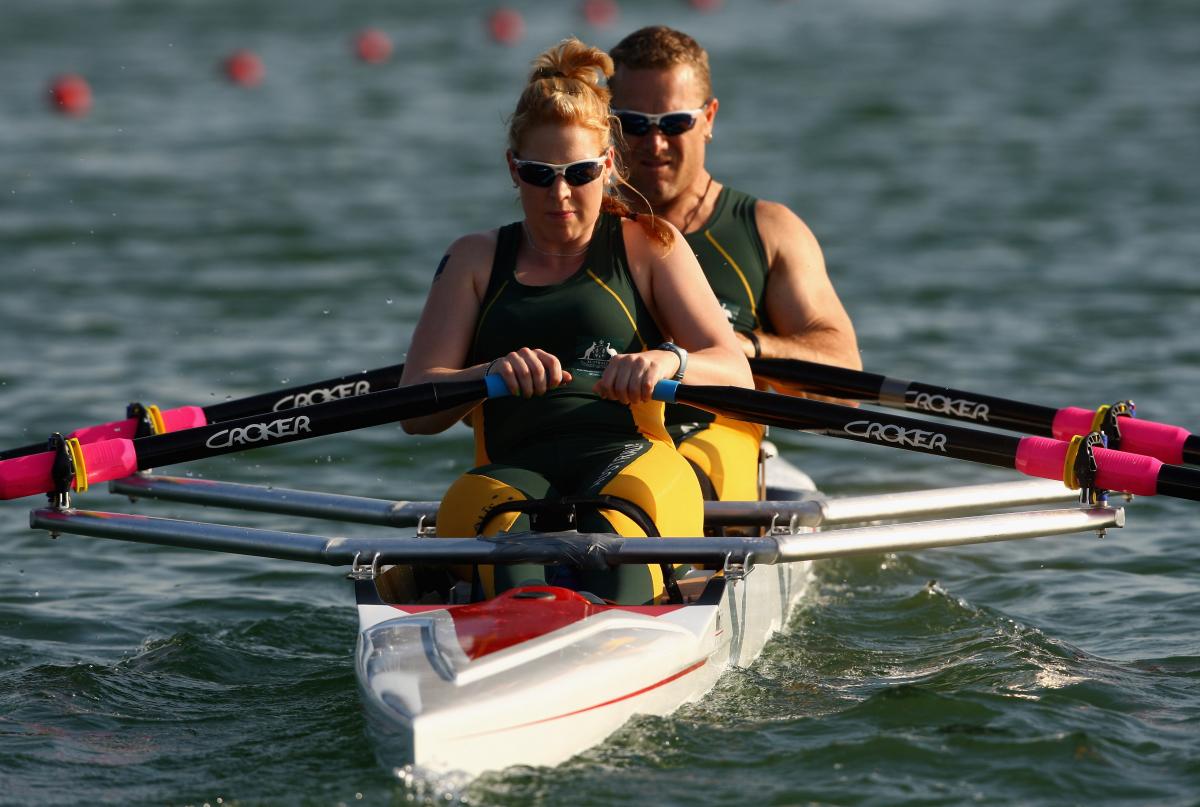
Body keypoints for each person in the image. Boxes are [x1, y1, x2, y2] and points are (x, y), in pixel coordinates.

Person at [399, 38, 752, 605]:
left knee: (620, 565)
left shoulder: (650, 245)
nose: (560, 194)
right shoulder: (472, 259)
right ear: (513, 169)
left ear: (609, 166)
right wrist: (488, 372)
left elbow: (736, 371)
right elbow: (415, 410)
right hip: (511, 468)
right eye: (540, 174)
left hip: (630, 460)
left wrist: (669, 360)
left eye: (580, 172)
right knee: (510, 574)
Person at [608, 26, 861, 503]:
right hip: (596, 449)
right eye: (635, 125)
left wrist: (741, 347)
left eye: (674, 123)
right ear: (608, 123)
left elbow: (844, 376)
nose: (654, 143)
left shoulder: (769, 230)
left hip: (712, 458)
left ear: (708, 118)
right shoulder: (573, 228)